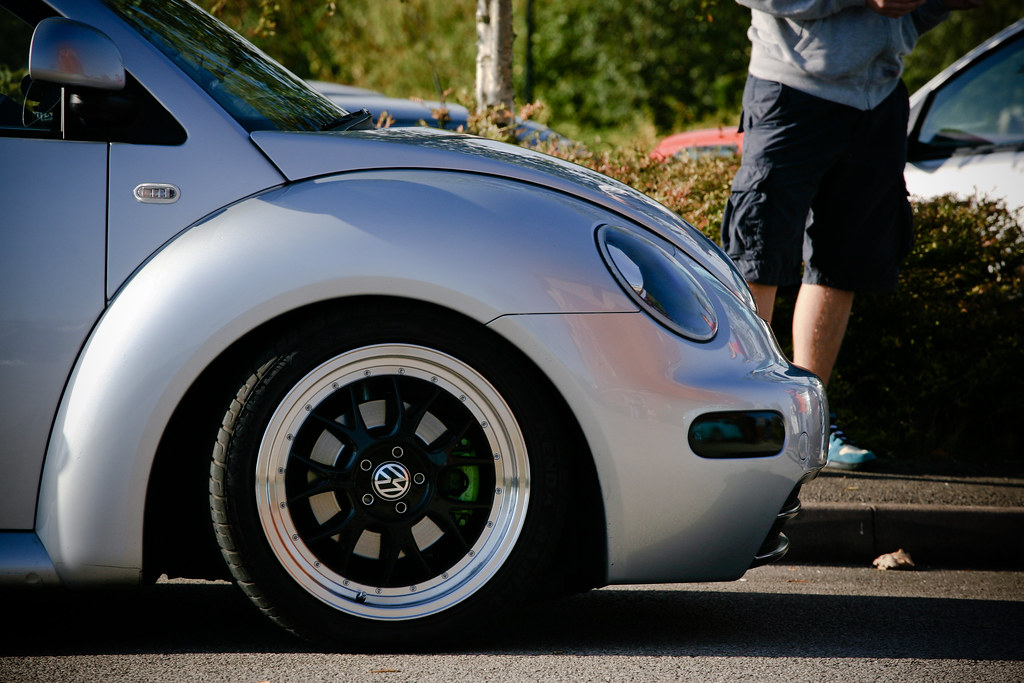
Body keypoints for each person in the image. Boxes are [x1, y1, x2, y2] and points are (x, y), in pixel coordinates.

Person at [721, 0, 983, 469]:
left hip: (879, 98)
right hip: (789, 89)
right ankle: (745, 423)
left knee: (842, 265)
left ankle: (808, 426)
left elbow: (905, 15)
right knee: (757, 257)